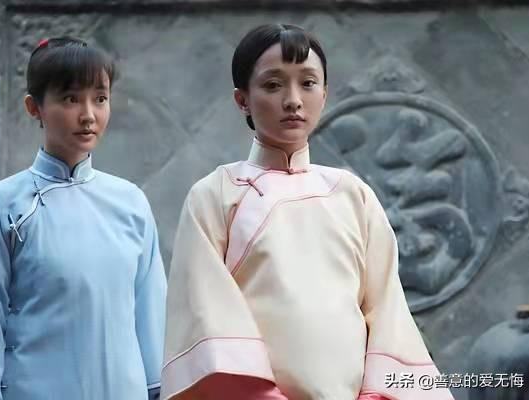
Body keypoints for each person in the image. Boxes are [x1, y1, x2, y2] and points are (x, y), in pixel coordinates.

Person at [161, 24, 453, 400]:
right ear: (242, 99)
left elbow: (387, 312)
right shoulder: (216, 195)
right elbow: (207, 317)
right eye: (273, 85)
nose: (293, 100)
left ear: (324, 94)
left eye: (308, 83)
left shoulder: (352, 195)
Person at [0, 37, 166, 400]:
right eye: (70, 99)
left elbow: (151, 316)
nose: (88, 115)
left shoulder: (131, 204)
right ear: (34, 107)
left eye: (100, 98)